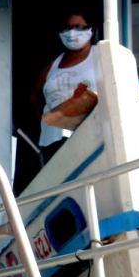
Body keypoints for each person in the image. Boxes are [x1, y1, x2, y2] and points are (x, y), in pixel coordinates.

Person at [33, 10, 99, 164]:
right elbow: (35, 95)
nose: (71, 32)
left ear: (90, 29)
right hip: (52, 140)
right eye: (66, 28)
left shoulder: (100, 54)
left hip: (89, 135)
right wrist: (43, 119)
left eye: (78, 26)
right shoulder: (52, 65)